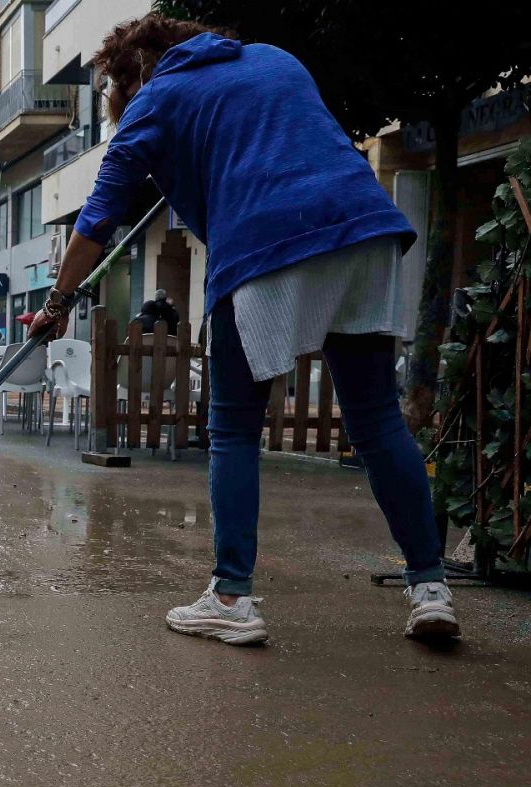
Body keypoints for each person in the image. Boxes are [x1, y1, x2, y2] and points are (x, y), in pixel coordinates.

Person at [29, 15, 456, 646]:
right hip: (365, 228)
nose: (119, 106)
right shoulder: (274, 59)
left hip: (264, 242)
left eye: (113, 94)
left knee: (231, 426)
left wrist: (58, 301)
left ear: (136, 71)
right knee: (375, 419)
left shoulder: (157, 98)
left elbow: (96, 219)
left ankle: (231, 596)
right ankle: (430, 587)